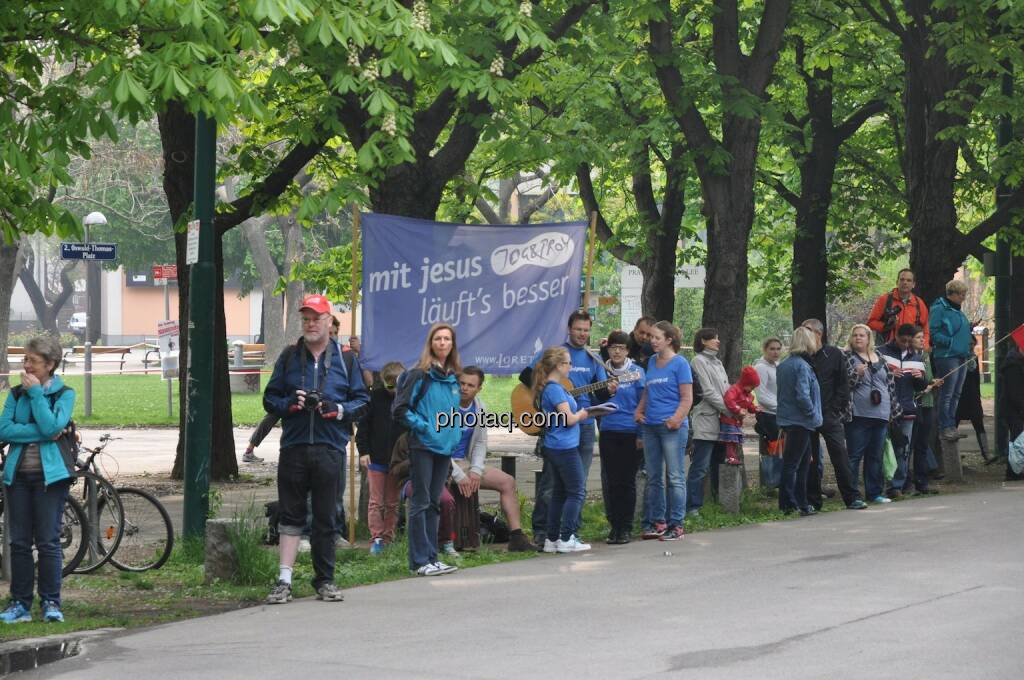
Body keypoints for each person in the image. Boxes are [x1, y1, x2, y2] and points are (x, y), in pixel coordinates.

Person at [261, 294, 369, 604]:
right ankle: (284, 581)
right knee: (291, 516)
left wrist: (339, 409)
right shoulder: (289, 357)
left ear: (328, 322)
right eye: (306, 318)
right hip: (294, 447)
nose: (310, 323)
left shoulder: (347, 360)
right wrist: (290, 405)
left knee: (326, 517)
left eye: (316, 318)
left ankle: (325, 580)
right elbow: (270, 399)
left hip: (330, 447)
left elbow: (363, 402)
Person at [0, 336, 76, 624]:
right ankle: (19, 603)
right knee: (18, 542)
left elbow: (53, 425)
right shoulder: (16, 394)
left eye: (32, 360)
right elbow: (4, 430)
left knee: (48, 542)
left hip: (51, 478)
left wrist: (36, 397)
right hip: (18, 477)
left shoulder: (64, 394)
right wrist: (45, 432)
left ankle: (51, 603)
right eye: (25, 359)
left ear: (50, 364)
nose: (26, 364)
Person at [524, 310, 614, 544]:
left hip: (584, 426)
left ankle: (569, 531)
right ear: (569, 329)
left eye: (586, 330)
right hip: (558, 429)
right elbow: (526, 377)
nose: (583, 334)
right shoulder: (556, 354)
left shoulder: (593, 358)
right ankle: (543, 530)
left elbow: (600, 391)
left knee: (578, 482)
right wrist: (548, 394)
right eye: (578, 329)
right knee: (551, 482)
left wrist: (610, 390)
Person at [392, 322, 463, 576]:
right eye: (438, 339)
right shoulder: (418, 375)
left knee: (434, 503)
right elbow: (399, 409)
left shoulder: (453, 377)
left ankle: (432, 558)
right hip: (422, 446)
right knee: (420, 503)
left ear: (452, 344)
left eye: (447, 339)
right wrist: (424, 428)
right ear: (430, 343)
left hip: (444, 449)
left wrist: (454, 435)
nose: (442, 343)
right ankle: (419, 561)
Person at [449, 366, 534, 552]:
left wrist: (475, 470)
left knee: (507, 482)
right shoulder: (445, 406)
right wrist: (457, 474)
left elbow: (480, 443)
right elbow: (438, 449)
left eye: (470, 385)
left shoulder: (480, 408)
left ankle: (517, 537)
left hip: (466, 462)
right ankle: (449, 540)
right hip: (444, 465)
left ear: (479, 388)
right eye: (461, 383)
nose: (464, 388)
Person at [799, 319, 866, 510]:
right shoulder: (801, 357)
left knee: (840, 456)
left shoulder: (834, 354)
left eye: (807, 330)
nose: (804, 334)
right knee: (810, 459)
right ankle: (813, 500)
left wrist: (835, 409)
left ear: (818, 334)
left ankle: (852, 497)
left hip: (829, 413)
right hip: (808, 416)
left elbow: (843, 384)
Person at [635, 322, 692, 542]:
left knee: (675, 476)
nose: (652, 340)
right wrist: (639, 411)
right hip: (650, 426)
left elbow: (687, 397)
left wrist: (676, 419)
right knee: (654, 477)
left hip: (672, 428)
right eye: (650, 336)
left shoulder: (680, 364)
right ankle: (658, 521)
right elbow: (648, 391)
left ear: (669, 339)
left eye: (657, 337)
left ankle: (676, 524)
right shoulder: (651, 361)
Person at [535, 346, 593, 553]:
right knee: (577, 490)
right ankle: (567, 537)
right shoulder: (555, 390)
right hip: (564, 447)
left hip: (556, 445)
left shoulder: (551, 388)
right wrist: (584, 414)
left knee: (560, 493)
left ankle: (552, 538)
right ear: (558, 366)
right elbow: (568, 419)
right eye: (568, 363)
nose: (571, 366)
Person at [843, 323, 901, 505]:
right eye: (855, 335)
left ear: (869, 338)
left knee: (876, 456)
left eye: (862, 335)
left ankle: (874, 493)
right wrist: (855, 374)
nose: (858, 338)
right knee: (854, 455)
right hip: (859, 415)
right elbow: (843, 385)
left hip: (881, 414)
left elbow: (890, 385)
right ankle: (852, 495)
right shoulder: (846, 357)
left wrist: (893, 409)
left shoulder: (880, 357)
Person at [599, 331, 647, 544]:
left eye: (621, 347)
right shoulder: (601, 370)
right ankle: (614, 526)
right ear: (607, 349)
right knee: (611, 481)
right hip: (608, 431)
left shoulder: (636, 372)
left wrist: (641, 433)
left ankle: (625, 527)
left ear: (628, 350)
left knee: (627, 481)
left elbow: (644, 403)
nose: (617, 351)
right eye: (613, 347)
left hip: (630, 432)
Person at [355, 361, 406, 555]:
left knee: (393, 502)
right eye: (389, 384)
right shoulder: (374, 398)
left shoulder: (407, 400)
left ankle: (388, 536)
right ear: (383, 382)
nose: (393, 389)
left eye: (398, 385)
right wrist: (364, 451)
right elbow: (363, 428)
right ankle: (376, 537)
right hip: (376, 458)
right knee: (376, 501)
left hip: (397, 461)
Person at [775, 327, 823, 516]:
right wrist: (812, 414)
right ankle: (788, 504)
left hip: (790, 419)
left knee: (801, 464)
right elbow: (802, 395)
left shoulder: (785, 364)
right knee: (793, 464)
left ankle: (801, 503)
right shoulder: (802, 366)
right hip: (800, 421)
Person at [389, 432, 460, 558]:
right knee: (422, 500)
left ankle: (446, 542)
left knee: (446, 500)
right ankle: (420, 546)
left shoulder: (439, 438)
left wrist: (441, 480)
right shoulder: (405, 439)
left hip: (435, 480)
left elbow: (448, 467)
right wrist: (414, 461)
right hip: (410, 480)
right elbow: (395, 470)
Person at [878, 324, 928, 498]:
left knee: (902, 449)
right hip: (884, 409)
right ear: (896, 336)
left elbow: (922, 386)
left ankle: (896, 486)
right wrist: (890, 375)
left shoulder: (917, 358)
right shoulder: (881, 353)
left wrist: (920, 378)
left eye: (909, 341)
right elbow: (874, 376)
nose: (905, 344)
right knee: (881, 448)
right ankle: (877, 486)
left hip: (907, 409)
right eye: (902, 340)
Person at [686, 328, 730, 516]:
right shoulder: (698, 361)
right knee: (700, 465)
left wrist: (733, 406)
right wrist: (729, 409)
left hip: (722, 419)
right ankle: (692, 507)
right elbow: (707, 391)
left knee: (718, 462)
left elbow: (725, 389)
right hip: (706, 418)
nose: (717, 341)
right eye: (713, 338)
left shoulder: (718, 362)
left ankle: (716, 501)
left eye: (718, 338)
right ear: (703, 341)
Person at [929, 279, 972, 441]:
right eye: (961, 294)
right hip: (947, 357)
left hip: (961, 356)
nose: (964, 297)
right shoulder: (939, 309)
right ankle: (944, 427)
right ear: (952, 294)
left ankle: (951, 425)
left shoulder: (958, 311)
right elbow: (934, 333)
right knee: (947, 394)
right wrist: (952, 343)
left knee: (956, 393)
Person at [911, 329, 942, 494]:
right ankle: (905, 482)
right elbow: (915, 385)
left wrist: (932, 382)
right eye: (918, 337)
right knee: (910, 445)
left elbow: (926, 379)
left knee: (923, 444)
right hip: (916, 404)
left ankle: (922, 482)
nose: (922, 340)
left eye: (923, 337)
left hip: (928, 404)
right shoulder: (909, 357)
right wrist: (927, 386)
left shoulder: (925, 356)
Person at [868, 268, 930, 347]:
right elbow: (871, 323)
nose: (905, 283)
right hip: (887, 347)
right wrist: (887, 326)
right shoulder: (885, 299)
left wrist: (925, 345)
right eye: (902, 280)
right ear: (897, 282)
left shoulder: (919, 303)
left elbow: (925, 328)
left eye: (908, 280)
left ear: (914, 284)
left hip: (911, 347)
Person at [956, 335, 992, 461]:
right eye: (969, 344)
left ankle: (986, 454)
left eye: (973, 344)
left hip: (973, 397)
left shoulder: (974, 359)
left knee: (979, 425)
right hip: (959, 397)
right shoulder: (958, 359)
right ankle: (954, 455)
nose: (971, 347)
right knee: (952, 426)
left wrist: (978, 396)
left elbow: (976, 380)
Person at [754, 338, 783, 490]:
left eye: (778, 348)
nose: (775, 352)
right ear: (765, 349)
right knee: (774, 450)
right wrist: (781, 408)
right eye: (772, 349)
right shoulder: (760, 367)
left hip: (781, 414)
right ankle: (772, 483)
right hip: (769, 415)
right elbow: (762, 396)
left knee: (782, 450)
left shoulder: (779, 366)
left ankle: (781, 482)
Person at [721, 366, 760, 466]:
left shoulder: (749, 395)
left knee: (735, 440)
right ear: (745, 383)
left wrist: (755, 409)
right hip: (729, 419)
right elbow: (729, 400)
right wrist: (737, 409)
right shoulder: (735, 390)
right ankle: (730, 457)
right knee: (730, 439)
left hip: (737, 422)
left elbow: (750, 405)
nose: (752, 389)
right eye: (751, 386)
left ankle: (732, 456)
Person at [1001, 344, 1024, 481]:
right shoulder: (1013, 366)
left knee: (1017, 440)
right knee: (1018, 441)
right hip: (1013, 409)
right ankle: (1013, 472)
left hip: (1017, 407)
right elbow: (1015, 393)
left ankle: (1014, 470)